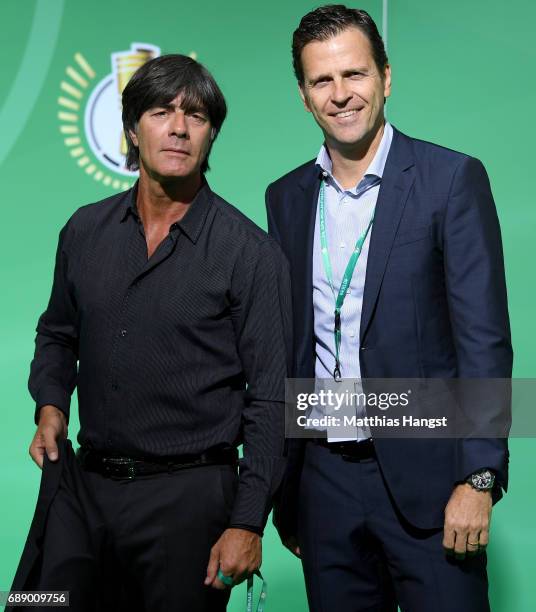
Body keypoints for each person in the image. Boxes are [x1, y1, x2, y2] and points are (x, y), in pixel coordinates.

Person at [9, 54, 291, 612]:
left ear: (212, 134)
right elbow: (58, 334)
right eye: (162, 111)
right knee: (36, 604)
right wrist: (50, 404)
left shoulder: (250, 253)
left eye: (197, 116)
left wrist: (247, 522)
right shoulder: (84, 230)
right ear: (133, 129)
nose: (180, 128)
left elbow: (271, 398)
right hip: (82, 489)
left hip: (190, 499)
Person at [266, 5, 512, 611]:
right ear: (303, 95)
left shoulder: (450, 179)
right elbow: (291, 346)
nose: (341, 94)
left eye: (355, 74)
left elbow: (484, 340)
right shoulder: (286, 197)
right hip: (323, 480)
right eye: (322, 81)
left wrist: (479, 478)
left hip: (430, 477)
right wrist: (286, 490)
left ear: (386, 77)